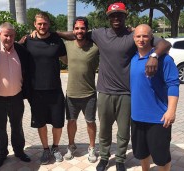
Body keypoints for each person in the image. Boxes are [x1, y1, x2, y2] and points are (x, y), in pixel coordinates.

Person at [57, 2, 171, 171]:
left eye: (119, 15)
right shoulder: (99, 34)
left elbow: (165, 44)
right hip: (104, 91)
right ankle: (104, 157)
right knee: (104, 129)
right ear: (108, 18)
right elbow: (75, 34)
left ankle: (120, 159)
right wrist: (51, 33)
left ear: (125, 16)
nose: (116, 18)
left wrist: (154, 55)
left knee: (124, 131)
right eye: (113, 16)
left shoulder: (133, 35)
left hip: (126, 93)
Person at [130, 24, 179, 171]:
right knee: (141, 152)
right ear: (133, 38)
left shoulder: (164, 59)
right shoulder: (133, 58)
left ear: (151, 37)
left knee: (161, 157)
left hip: (158, 118)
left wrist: (171, 111)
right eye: (138, 36)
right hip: (137, 117)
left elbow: (173, 84)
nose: (141, 39)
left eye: (145, 36)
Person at [22, 11, 67, 165]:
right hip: (36, 91)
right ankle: (46, 149)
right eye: (39, 23)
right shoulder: (28, 40)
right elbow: (12, 49)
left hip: (55, 89)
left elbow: (67, 58)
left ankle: (55, 147)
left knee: (58, 122)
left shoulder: (56, 40)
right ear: (35, 24)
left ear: (49, 25)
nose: (42, 26)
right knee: (40, 122)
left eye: (45, 23)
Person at [0, 22, 31, 168]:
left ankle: (19, 151)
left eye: (12, 35)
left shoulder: (21, 50)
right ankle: (2, 153)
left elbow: (29, 71)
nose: (9, 38)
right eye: (6, 35)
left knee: (17, 126)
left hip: (16, 97)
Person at [63, 17, 99, 163]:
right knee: (71, 121)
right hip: (71, 93)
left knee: (90, 122)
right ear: (73, 30)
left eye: (82, 28)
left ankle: (91, 147)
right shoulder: (67, 45)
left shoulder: (95, 47)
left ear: (87, 30)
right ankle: (71, 146)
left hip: (89, 93)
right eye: (77, 28)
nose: (79, 31)